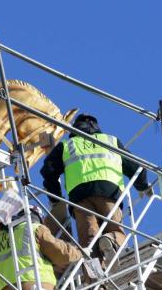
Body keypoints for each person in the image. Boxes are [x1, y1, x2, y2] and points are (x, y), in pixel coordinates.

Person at [41, 113, 151, 263]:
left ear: (75, 128)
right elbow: (136, 167)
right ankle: (109, 240)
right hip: (109, 193)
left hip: (79, 198)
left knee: (88, 242)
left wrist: (55, 198)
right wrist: (143, 186)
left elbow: (48, 170)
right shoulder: (111, 141)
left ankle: (95, 280)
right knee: (116, 231)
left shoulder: (67, 145)